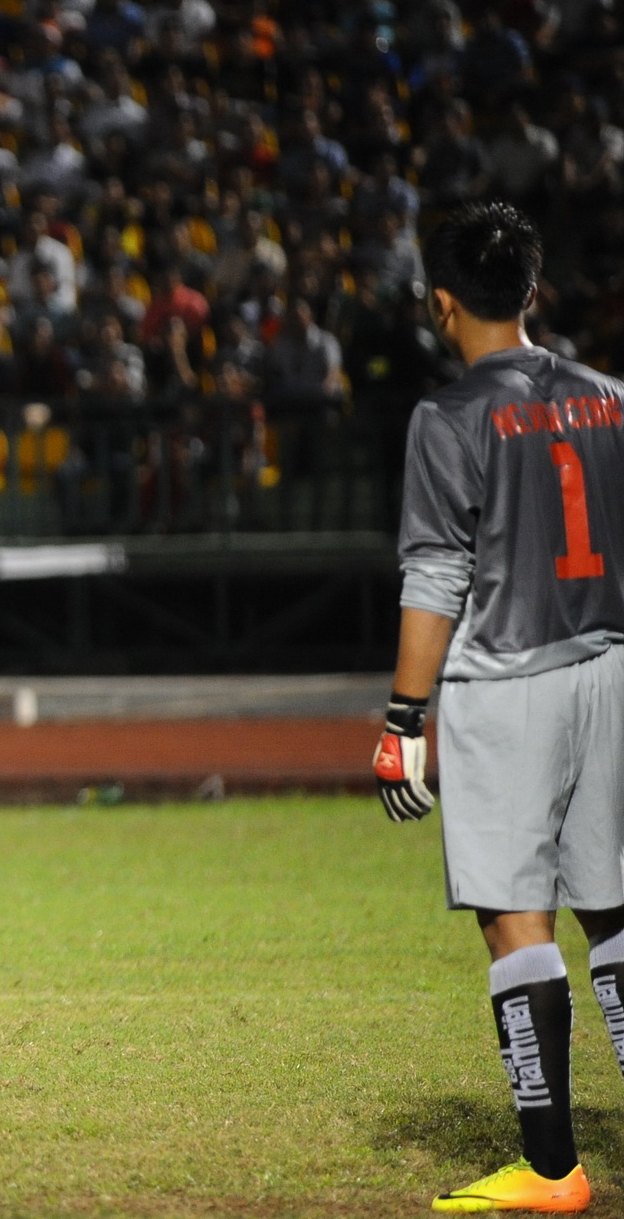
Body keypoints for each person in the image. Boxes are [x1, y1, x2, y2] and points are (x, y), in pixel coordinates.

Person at [374, 203, 624, 1214]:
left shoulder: (445, 416)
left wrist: (401, 718)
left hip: (506, 680)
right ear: (531, 288)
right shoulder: (610, 399)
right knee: (614, 912)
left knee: (515, 916)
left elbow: (436, 571)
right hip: (610, 667)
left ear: (441, 302)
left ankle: (551, 1168)